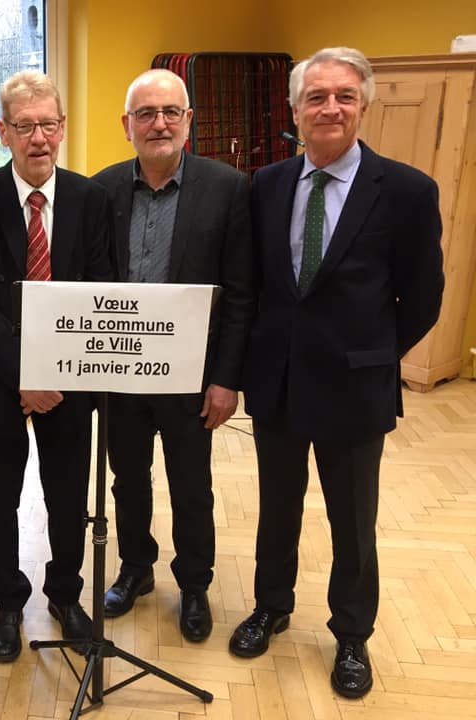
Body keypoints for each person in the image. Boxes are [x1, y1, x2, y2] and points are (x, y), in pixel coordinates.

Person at [229, 47, 444, 699]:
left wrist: (374, 353)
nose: (330, 108)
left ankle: (351, 634)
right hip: (278, 382)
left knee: (353, 520)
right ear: (295, 109)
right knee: (276, 509)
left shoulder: (406, 191)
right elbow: (255, 285)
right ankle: (271, 606)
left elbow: (423, 297)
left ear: (364, 104)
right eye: (316, 97)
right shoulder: (266, 184)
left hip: (355, 387)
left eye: (344, 96)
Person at [0, 70, 112, 663]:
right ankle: (8, 602)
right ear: (2, 132)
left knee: (67, 496)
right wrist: (26, 372)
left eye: (47, 125)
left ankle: (65, 594)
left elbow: (101, 290)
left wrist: (54, 372)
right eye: (24, 126)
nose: (38, 138)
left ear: (62, 127)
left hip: (70, 384)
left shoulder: (92, 200)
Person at [92, 69, 253, 641]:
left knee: (191, 486)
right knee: (127, 480)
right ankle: (136, 568)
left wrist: (226, 379)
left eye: (170, 112)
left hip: (192, 376)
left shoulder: (228, 188)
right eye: (146, 113)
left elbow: (241, 294)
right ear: (127, 125)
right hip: (121, 374)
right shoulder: (102, 189)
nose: (158, 123)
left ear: (188, 120)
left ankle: (193, 583)